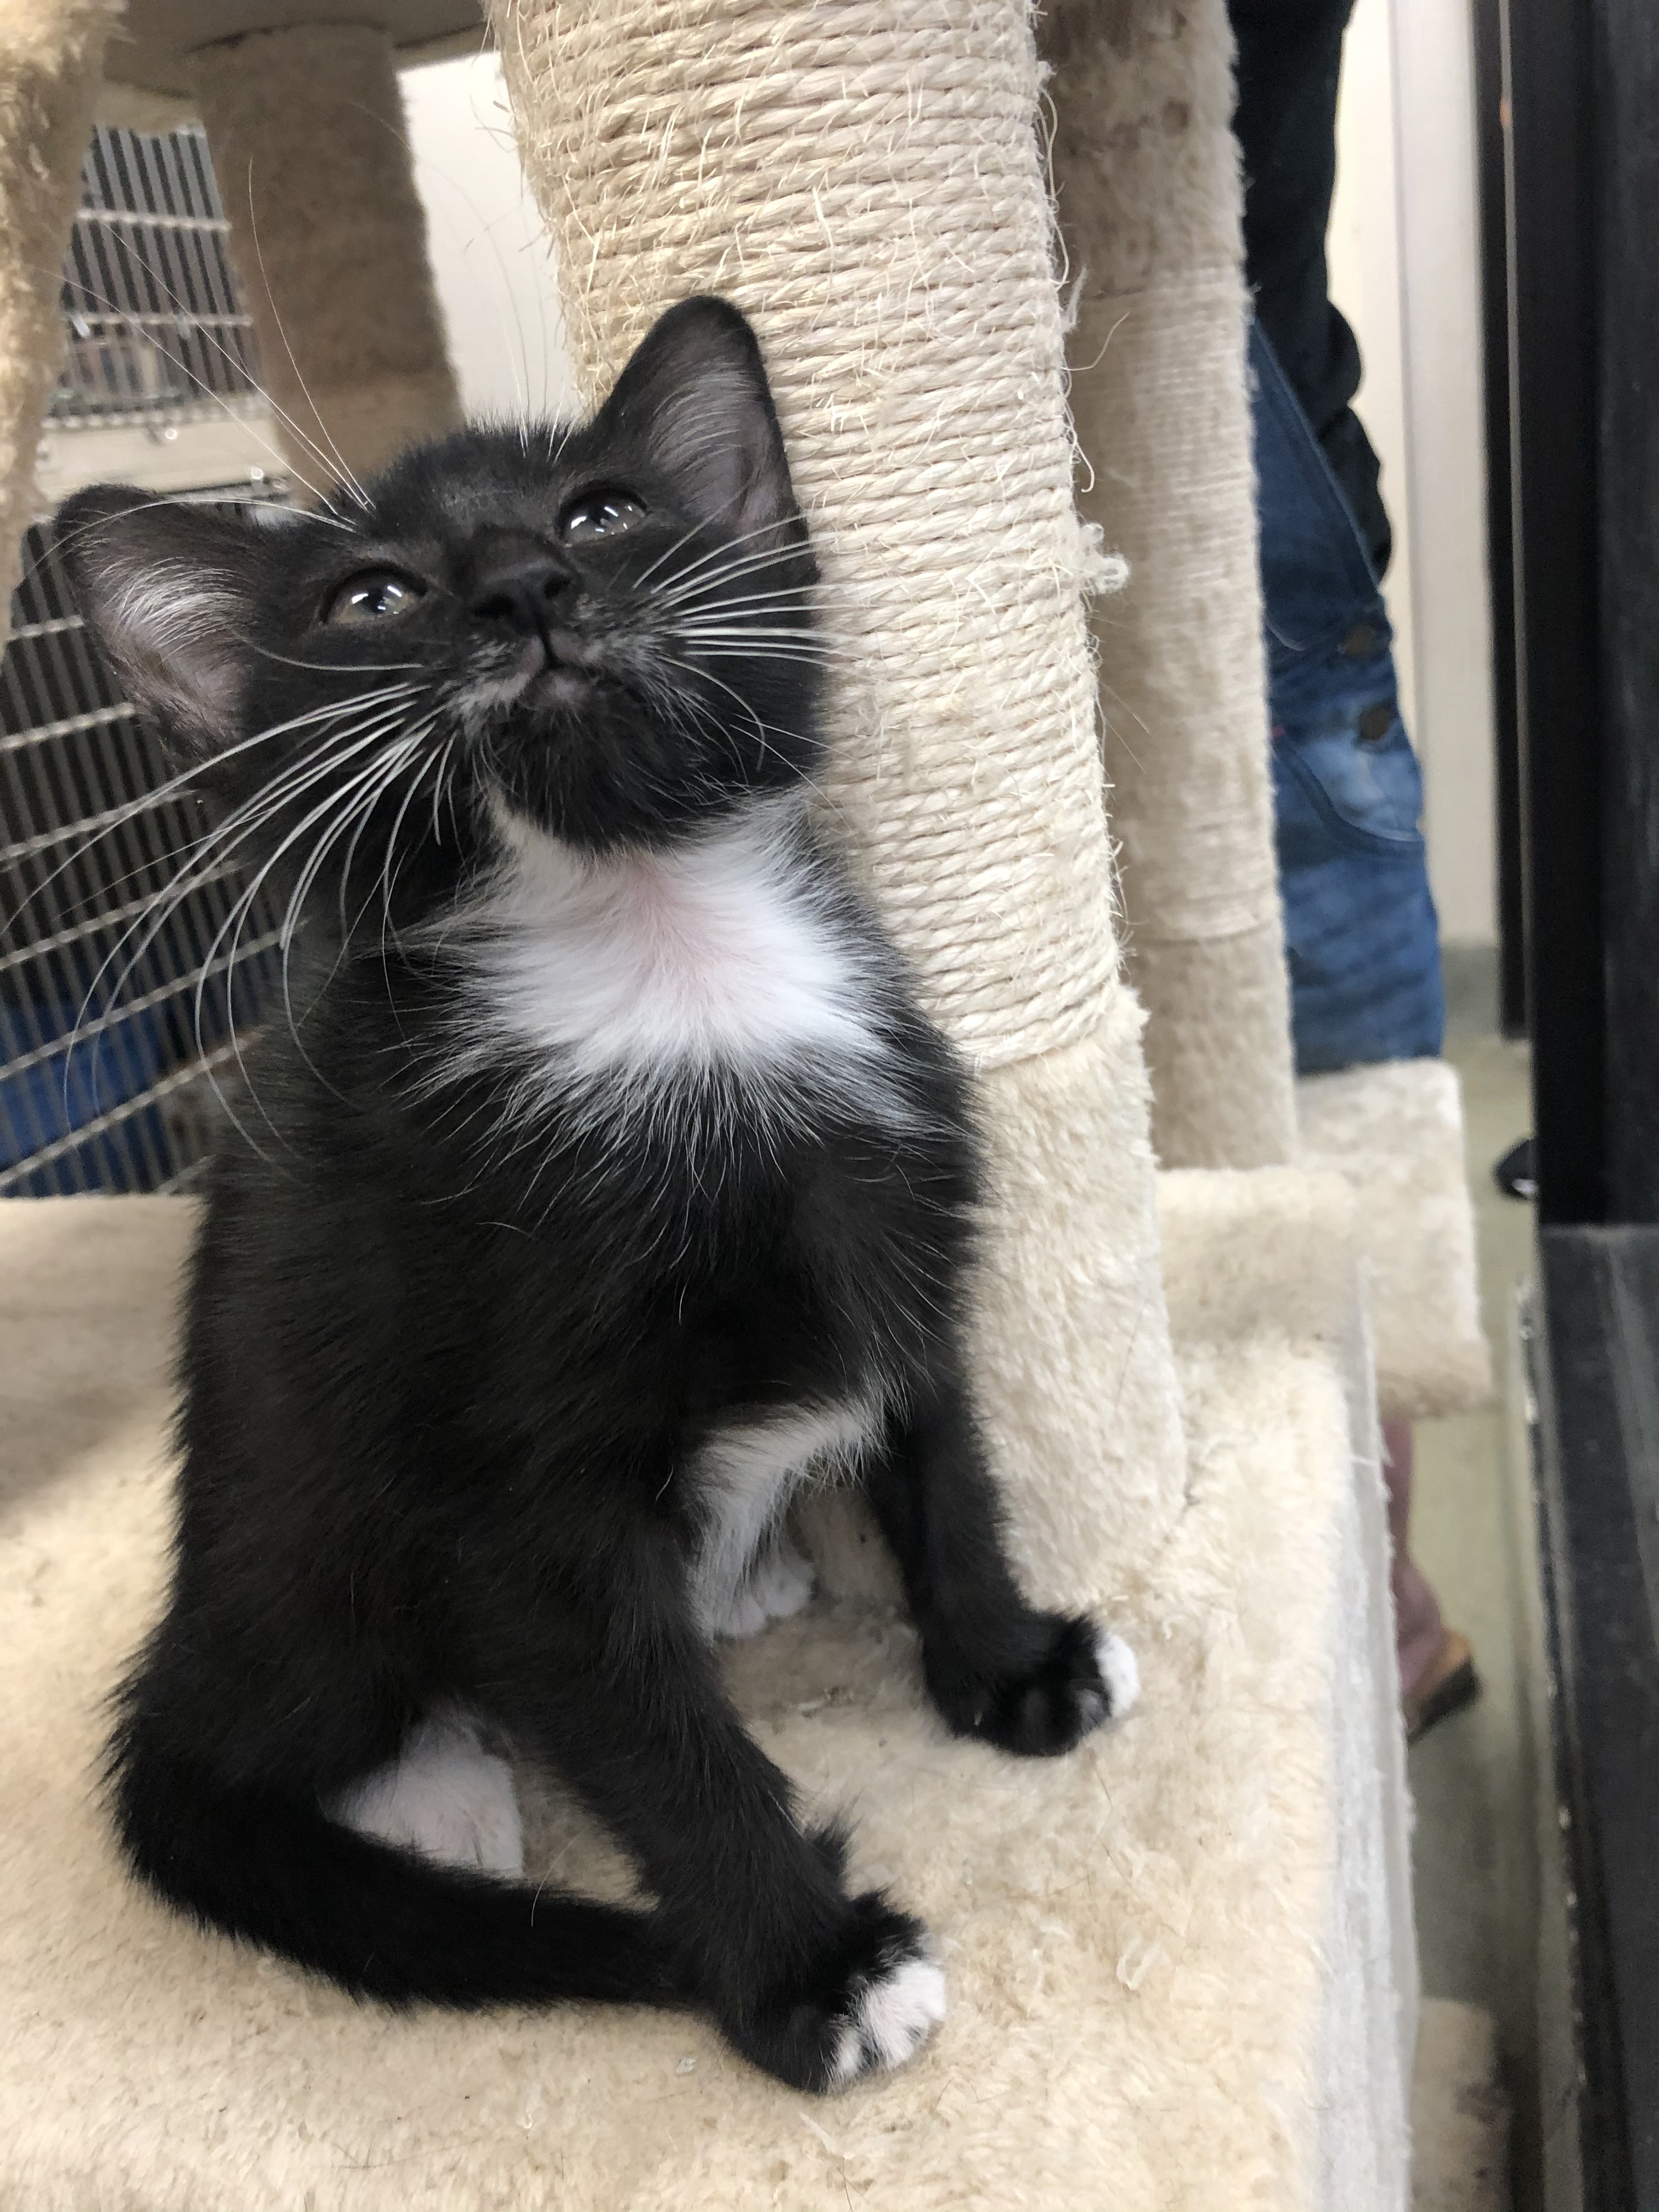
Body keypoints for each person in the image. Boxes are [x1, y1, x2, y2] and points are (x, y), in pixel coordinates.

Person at [1229, 0, 1478, 1742]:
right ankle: (1366, 1621)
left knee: (1344, 1129)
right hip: (972, 521)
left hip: (1266, 549)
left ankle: (1380, 1617)